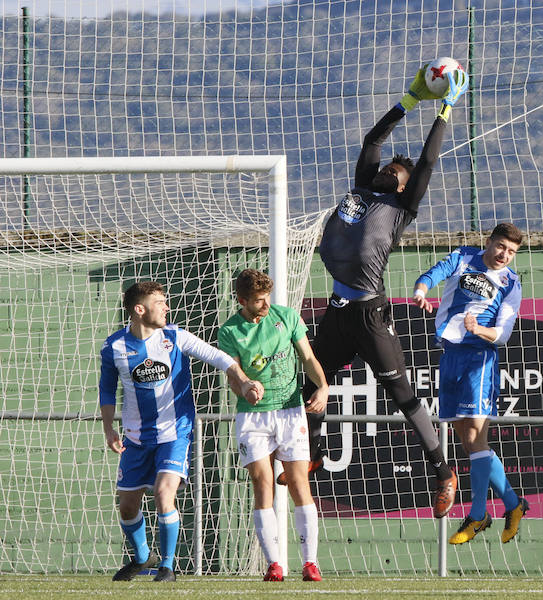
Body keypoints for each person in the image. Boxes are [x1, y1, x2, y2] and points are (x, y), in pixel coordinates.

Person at [302, 63, 469, 519]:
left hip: (370, 315)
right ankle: (314, 454)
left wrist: (445, 110)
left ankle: (442, 470)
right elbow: (373, 142)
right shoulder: (363, 186)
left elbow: (428, 161)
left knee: (403, 398)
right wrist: (408, 102)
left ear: (403, 184)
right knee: (310, 384)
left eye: (395, 171)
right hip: (338, 312)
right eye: (390, 168)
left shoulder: (401, 207)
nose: (387, 171)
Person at [100, 281, 263, 583]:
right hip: (135, 439)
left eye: (165, 301)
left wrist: (243, 381)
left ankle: (167, 566)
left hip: (175, 433)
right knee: (126, 507)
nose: (166, 307)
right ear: (139, 309)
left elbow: (220, 358)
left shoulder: (175, 337)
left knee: (164, 495)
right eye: (159, 302)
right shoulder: (114, 347)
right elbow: (107, 390)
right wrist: (109, 428)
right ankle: (141, 557)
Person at [412, 223, 529, 544]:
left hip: (480, 358)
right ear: (489, 243)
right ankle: (513, 504)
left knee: (476, 438)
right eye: (501, 246)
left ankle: (478, 514)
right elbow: (434, 273)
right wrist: (421, 292)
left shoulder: (511, 284)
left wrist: (479, 329)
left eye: (512, 252)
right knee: (468, 442)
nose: (505, 255)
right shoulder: (464, 258)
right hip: (450, 356)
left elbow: (502, 333)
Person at [217, 269, 330, 582]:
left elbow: (307, 357)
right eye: (258, 301)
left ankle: (311, 563)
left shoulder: (287, 317)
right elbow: (233, 377)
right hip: (253, 417)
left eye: (267, 298)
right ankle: (275, 564)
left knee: (298, 483)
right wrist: (246, 388)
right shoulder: (229, 331)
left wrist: (321, 386)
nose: (265, 305)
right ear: (242, 300)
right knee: (261, 483)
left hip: (290, 411)